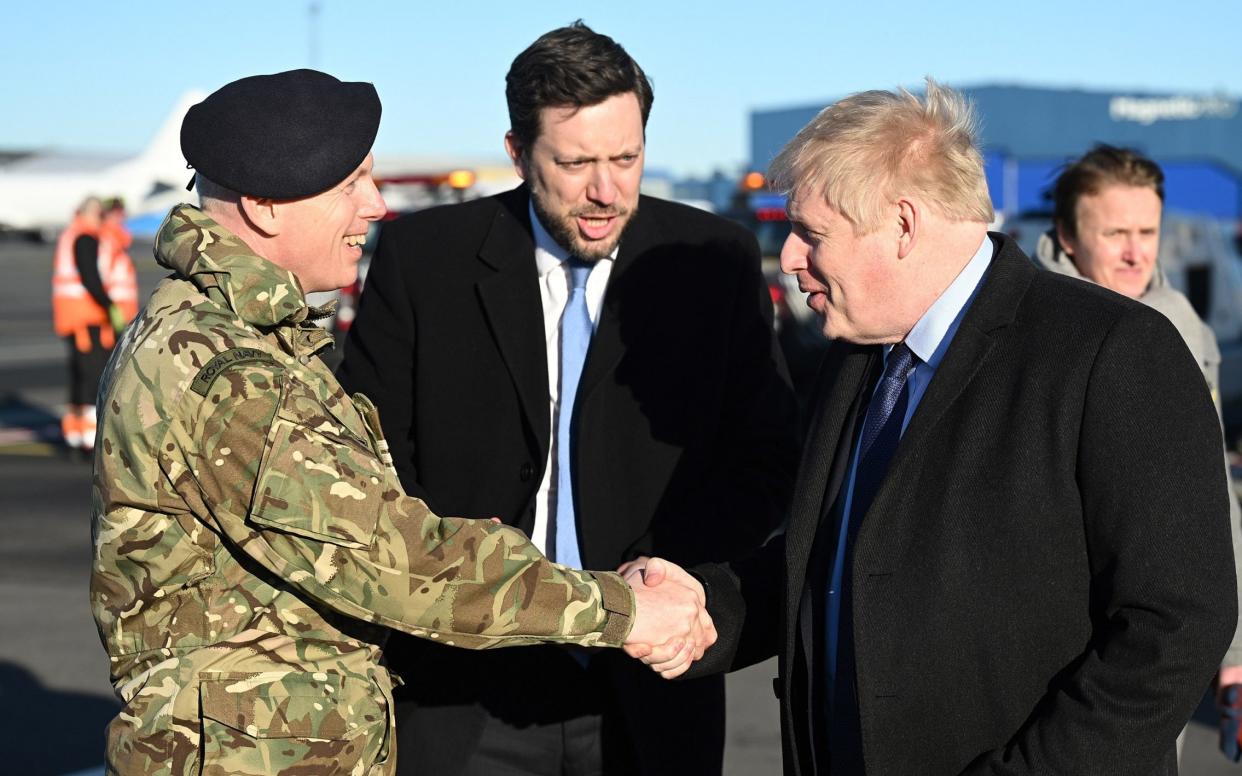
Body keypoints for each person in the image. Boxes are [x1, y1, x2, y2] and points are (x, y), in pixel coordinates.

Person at [90, 68, 710, 776]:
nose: (376, 206)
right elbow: (395, 562)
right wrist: (621, 609)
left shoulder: (220, 333)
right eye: (351, 184)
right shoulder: (231, 372)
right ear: (264, 205)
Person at [630, 80, 1237, 774]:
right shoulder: (858, 354)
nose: (791, 257)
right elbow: (838, 555)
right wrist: (710, 607)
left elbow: (1175, 627)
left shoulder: (1113, 353)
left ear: (904, 225)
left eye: (811, 233)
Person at [336, 22, 800, 776]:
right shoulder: (426, 260)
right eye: (576, 162)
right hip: (464, 687)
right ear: (519, 154)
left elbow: (767, 455)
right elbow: (371, 461)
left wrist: (674, 575)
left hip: (650, 686)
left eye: (627, 157)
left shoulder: (713, 261)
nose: (607, 190)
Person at [1036, 144, 1242, 757]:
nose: (1136, 251)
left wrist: (1232, 655)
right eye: (1116, 232)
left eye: (1147, 231)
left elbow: (1207, 497)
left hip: (1148, 651)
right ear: (1068, 236)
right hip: (1039, 639)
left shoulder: (1183, 326)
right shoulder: (1023, 322)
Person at [52, 196, 132, 453]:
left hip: (75, 316)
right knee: (92, 378)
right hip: (88, 318)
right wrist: (109, 306)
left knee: (79, 377)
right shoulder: (85, 237)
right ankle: (88, 440)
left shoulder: (72, 235)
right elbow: (90, 277)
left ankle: (76, 437)